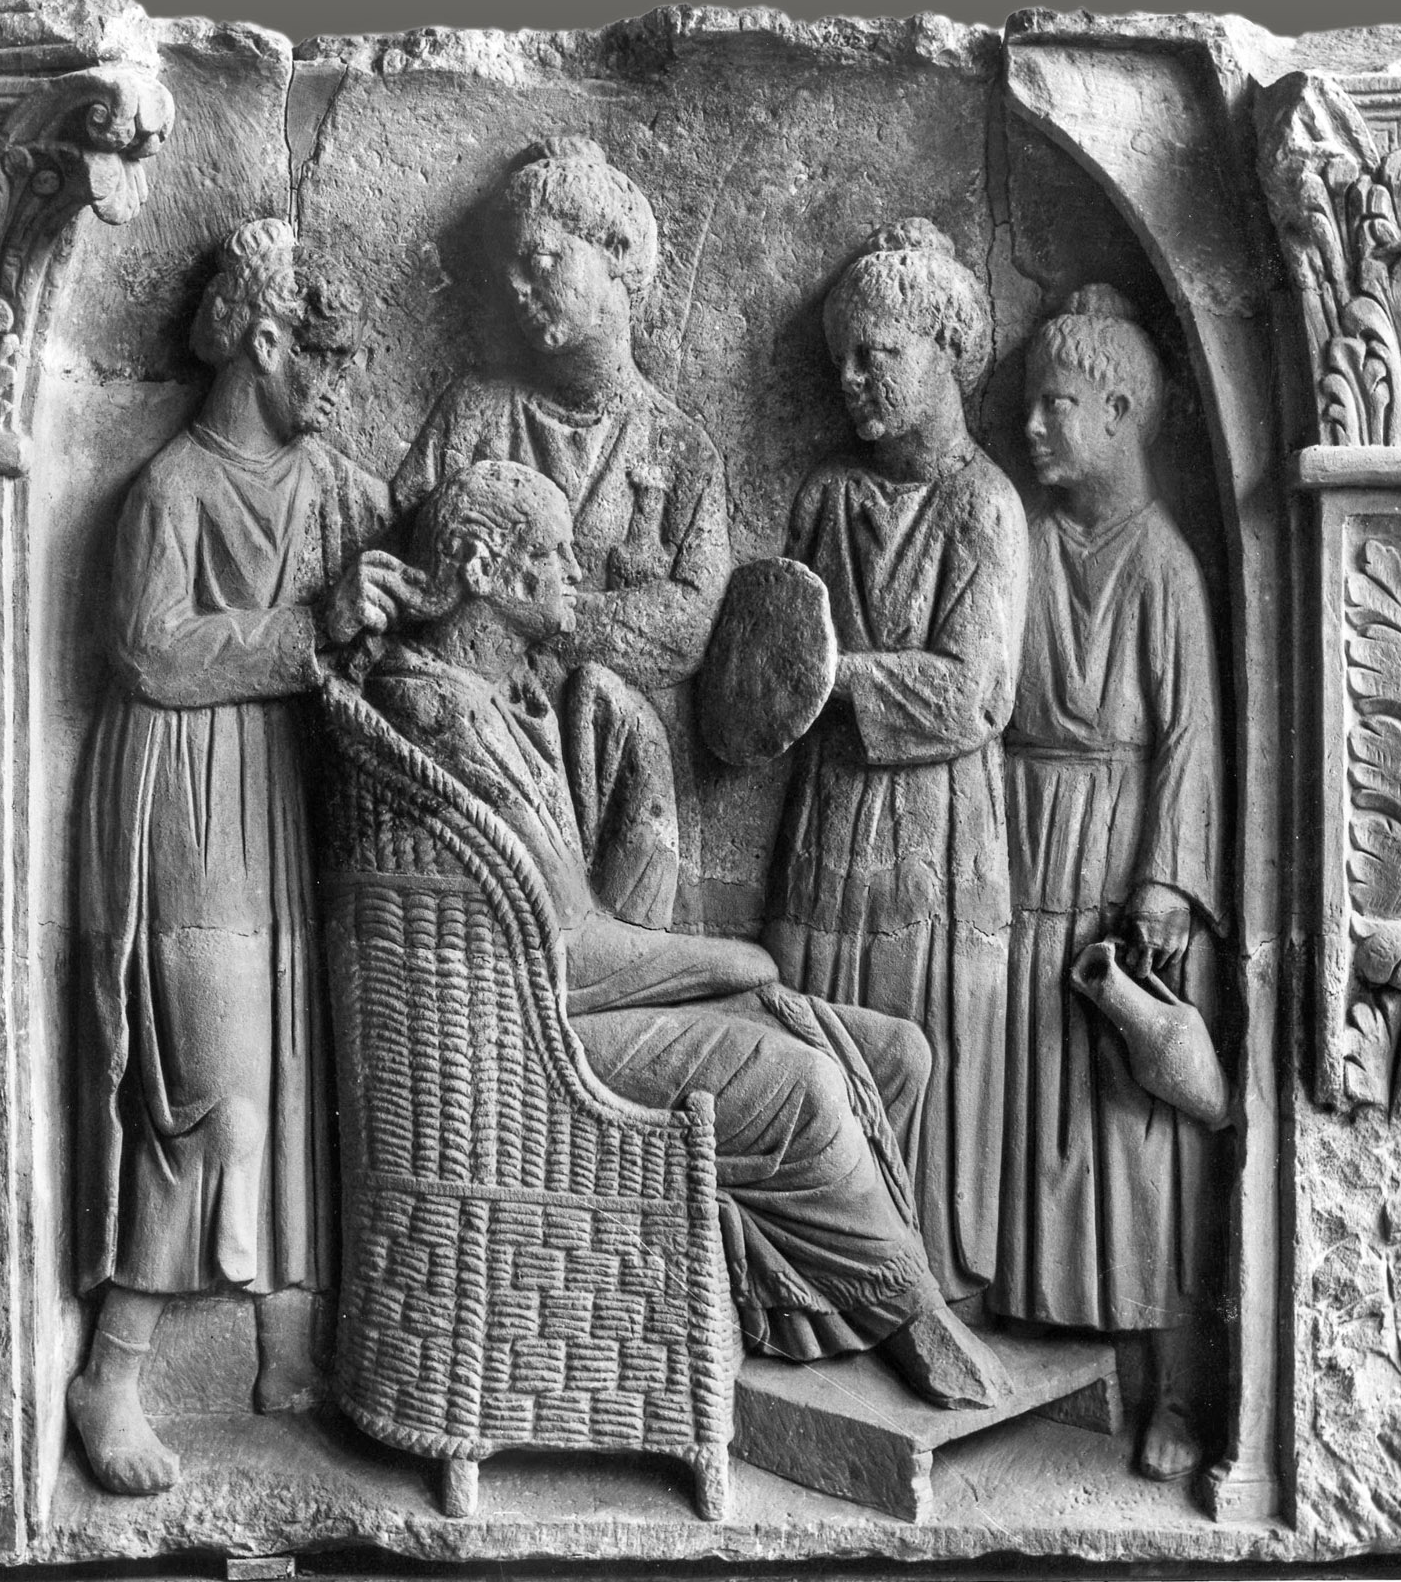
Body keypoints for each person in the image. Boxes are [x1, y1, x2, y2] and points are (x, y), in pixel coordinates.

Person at [362, 458, 1004, 1406]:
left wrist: (608, 733)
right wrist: (731, 961)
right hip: (531, 1040)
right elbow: (568, 952)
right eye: (553, 554)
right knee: (803, 1085)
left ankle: (807, 1313)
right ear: (485, 570)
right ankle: (910, 1311)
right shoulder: (440, 714)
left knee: (896, 1054)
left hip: (571, 995)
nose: (575, 572)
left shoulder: (502, 696)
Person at [68, 218, 424, 1496]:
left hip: (277, 791)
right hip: (186, 790)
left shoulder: (326, 479)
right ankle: (112, 1371)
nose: (338, 382)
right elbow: (148, 650)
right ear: (265, 341)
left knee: (290, 1059)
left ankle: (284, 1350)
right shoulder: (171, 488)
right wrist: (311, 624)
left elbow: (407, 559)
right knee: (206, 1085)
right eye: (323, 356)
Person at [763, 220, 1028, 1304]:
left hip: (937, 818)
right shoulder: (827, 494)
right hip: (830, 808)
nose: (851, 378)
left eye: (876, 353)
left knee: (927, 1036)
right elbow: (775, 639)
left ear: (944, 348)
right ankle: (823, 1271)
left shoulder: (983, 503)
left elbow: (976, 692)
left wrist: (835, 678)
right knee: (818, 1022)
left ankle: (923, 1283)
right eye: (841, 359)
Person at [993, 284, 1227, 1482]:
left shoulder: (1164, 563)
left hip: (1121, 854)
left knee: (1134, 1138)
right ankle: (1039, 1360)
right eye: (1029, 404)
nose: (1032, 425)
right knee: (1030, 1110)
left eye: (1056, 404)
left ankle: (1166, 1383)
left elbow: (1189, 737)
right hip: (1022, 839)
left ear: (1120, 413)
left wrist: (1166, 882)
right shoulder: (1027, 540)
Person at [395, 137, 730, 929]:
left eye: (540, 260)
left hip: (615, 763)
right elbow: (413, 560)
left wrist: (536, 611)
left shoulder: (679, 449)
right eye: (507, 268)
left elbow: (688, 625)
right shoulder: (474, 414)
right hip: (481, 757)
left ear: (614, 253)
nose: (519, 286)